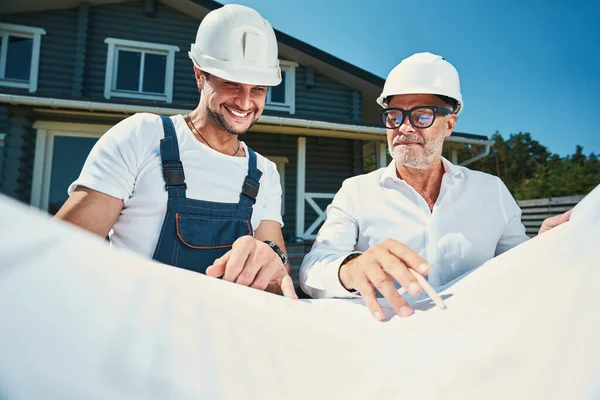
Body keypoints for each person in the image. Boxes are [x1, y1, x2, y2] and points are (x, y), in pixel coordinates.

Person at [299, 52, 570, 318]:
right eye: (394, 115)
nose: (404, 127)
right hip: (387, 340)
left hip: (475, 337)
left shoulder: (492, 191)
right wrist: (351, 269)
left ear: (449, 123)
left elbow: (517, 267)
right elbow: (312, 270)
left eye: (422, 115)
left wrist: (540, 250)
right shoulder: (356, 192)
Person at [54, 4, 297, 299]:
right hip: (135, 330)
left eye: (257, 89)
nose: (245, 102)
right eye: (231, 83)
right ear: (199, 75)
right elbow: (63, 249)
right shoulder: (144, 137)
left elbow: (276, 283)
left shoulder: (263, 173)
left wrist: (270, 257)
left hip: (223, 335)